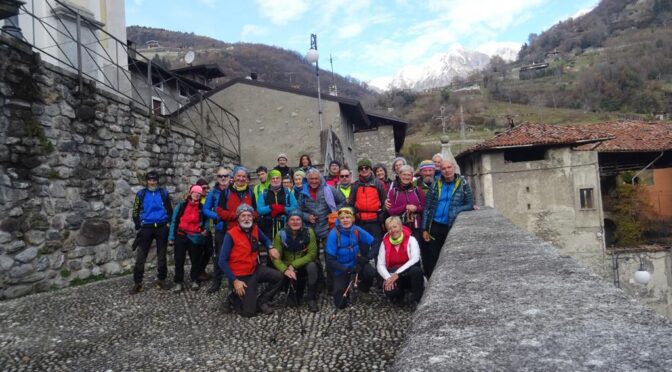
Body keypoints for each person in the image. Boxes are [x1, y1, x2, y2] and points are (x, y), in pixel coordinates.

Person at [218, 204, 282, 317]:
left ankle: (262, 300)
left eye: (249, 215)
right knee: (249, 312)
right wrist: (235, 281)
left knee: (279, 277)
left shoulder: (255, 229)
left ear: (253, 218)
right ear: (238, 218)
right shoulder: (230, 234)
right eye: (243, 216)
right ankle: (233, 296)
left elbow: (266, 239)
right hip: (241, 275)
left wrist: (270, 247)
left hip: (255, 269)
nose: (246, 218)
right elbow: (222, 261)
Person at [421, 159, 474, 278]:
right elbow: (427, 207)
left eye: (449, 167)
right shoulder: (436, 184)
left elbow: (470, 203)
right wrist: (424, 229)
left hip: (451, 226)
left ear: (454, 168)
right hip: (434, 225)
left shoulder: (463, 183)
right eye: (443, 168)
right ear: (441, 171)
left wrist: (456, 210)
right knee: (433, 256)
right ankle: (433, 282)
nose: (447, 170)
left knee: (450, 256)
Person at [210, 166, 258, 293]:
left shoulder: (251, 192)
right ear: (234, 177)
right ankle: (218, 282)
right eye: (239, 176)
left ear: (247, 179)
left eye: (244, 176)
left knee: (241, 257)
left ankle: (244, 283)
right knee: (222, 256)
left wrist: (249, 217)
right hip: (229, 231)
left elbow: (255, 211)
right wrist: (237, 216)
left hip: (246, 232)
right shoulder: (226, 192)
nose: (241, 178)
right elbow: (220, 212)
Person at [297, 168, 346, 290]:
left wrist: (334, 213)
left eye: (316, 178)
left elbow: (342, 201)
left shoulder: (328, 189)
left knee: (330, 257)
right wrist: (307, 217)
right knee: (314, 258)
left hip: (327, 229)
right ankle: (319, 284)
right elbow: (298, 211)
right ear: (307, 180)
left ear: (320, 178)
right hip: (311, 230)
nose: (314, 181)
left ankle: (331, 285)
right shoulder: (302, 193)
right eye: (311, 179)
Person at [130, 171, 172, 294]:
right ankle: (138, 283)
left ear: (157, 180)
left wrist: (168, 222)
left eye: (154, 180)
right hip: (146, 227)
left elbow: (169, 209)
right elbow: (135, 211)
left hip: (161, 226)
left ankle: (161, 280)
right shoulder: (140, 194)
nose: (152, 182)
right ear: (147, 181)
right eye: (150, 180)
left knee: (162, 256)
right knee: (141, 256)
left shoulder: (164, 193)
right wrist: (139, 225)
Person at [326, 207, 377, 308]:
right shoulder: (333, 234)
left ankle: (363, 289)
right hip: (341, 269)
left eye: (348, 217)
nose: (345, 220)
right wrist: (347, 269)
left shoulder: (356, 230)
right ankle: (346, 287)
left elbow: (375, 243)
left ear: (352, 219)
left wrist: (366, 258)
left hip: (356, 265)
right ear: (338, 220)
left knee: (370, 272)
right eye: (342, 218)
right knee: (340, 304)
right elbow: (330, 260)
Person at [271, 210, 320, 312]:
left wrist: (294, 264)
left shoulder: (309, 232)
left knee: (312, 266)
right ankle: (294, 291)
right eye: (292, 219)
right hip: (288, 268)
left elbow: (312, 254)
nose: (295, 222)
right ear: (287, 222)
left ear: (302, 221)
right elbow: (276, 257)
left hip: (303, 264)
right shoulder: (280, 235)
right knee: (292, 303)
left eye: (298, 219)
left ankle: (311, 298)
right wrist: (285, 270)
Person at [377, 216, 424, 308]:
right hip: (392, 274)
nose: (393, 230)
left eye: (395, 227)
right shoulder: (384, 243)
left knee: (416, 271)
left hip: (407, 272)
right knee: (390, 292)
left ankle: (417, 297)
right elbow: (380, 264)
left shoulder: (411, 239)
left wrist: (397, 274)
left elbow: (415, 259)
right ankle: (400, 295)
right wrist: (388, 278)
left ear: (401, 227)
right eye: (390, 228)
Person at [169, 185, 208, 292]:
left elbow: (206, 221)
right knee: (179, 259)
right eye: (195, 192)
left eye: (199, 193)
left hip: (195, 237)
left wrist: (205, 229)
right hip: (181, 235)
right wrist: (171, 236)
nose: (196, 194)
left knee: (195, 260)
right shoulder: (181, 206)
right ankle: (178, 282)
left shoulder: (202, 208)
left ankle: (195, 280)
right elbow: (174, 221)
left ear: (200, 195)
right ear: (190, 193)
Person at [203, 166, 232, 294]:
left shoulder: (233, 191)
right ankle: (217, 282)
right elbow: (205, 209)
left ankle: (234, 281)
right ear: (217, 178)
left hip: (233, 227)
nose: (223, 178)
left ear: (229, 177)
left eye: (225, 176)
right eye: (220, 176)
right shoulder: (213, 193)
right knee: (219, 256)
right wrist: (218, 217)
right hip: (220, 228)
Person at [350, 159, 386, 249]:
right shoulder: (355, 185)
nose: (364, 170)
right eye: (361, 168)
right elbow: (351, 203)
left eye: (366, 167)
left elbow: (384, 201)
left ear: (370, 169)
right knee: (363, 247)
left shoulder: (378, 183)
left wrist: (382, 216)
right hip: (360, 221)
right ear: (359, 170)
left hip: (375, 221)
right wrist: (354, 214)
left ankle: (379, 263)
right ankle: (365, 263)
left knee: (377, 247)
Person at [387, 165, 425, 244]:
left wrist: (416, 208)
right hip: (400, 228)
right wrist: (405, 207)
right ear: (399, 175)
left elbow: (424, 208)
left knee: (417, 250)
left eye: (409, 175)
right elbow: (391, 212)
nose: (406, 177)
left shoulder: (417, 190)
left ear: (412, 177)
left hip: (416, 228)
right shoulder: (393, 192)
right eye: (404, 174)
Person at [257, 169, 298, 240]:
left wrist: (283, 209)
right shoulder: (264, 193)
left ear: (281, 179)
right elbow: (259, 210)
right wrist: (271, 207)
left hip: (286, 225)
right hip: (268, 227)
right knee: (271, 249)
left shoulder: (287, 191)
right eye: (273, 178)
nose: (275, 180)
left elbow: (295, 207)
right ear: (269, 180)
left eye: (277, 178)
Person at [195, 178, 212, 281]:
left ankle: (201, 270)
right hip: (198, 230)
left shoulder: (208, 199)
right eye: (204, 188)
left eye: (207, 188)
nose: (206, 190)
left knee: (208, 251)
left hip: (208, 229)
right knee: (198, 253)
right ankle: (198, 273)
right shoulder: (196, 199)